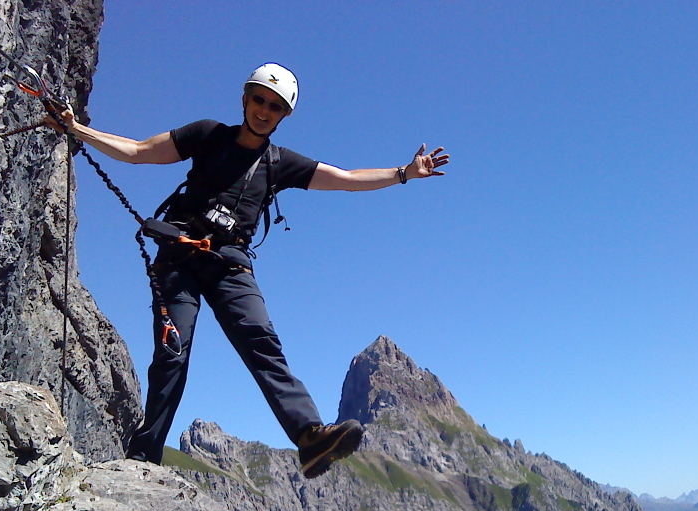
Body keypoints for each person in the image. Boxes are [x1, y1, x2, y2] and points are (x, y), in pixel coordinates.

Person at [48, 63, 449, 478]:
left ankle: (310, 436)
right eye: (259, 99)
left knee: (261, 341)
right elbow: (138, 151)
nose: (264, 110)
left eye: (275, 107)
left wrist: (404, 174)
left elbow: (346, 179)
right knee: (172, 351)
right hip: (181, 254)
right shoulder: (207, 135)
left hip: (230, 264)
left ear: (283, 116)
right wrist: (77, 130)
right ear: (244, 99)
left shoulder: (279, 162)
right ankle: (145, 455)